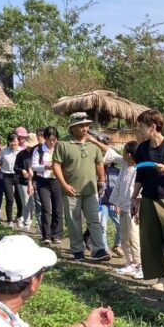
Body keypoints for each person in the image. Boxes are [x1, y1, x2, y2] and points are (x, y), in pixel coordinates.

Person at [52, 112, 110, 263]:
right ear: (72, 127)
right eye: (81, 125)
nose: (85, 128)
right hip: (71, 191)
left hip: (91, 190)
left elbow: (99, 163)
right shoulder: (63, 144)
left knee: (94, 220)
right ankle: (78, 251)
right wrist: (64, 185)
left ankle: (99, 250)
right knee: (74, 221)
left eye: (87, 125)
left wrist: (102, 179)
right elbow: (56, 166)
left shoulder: (93, 143)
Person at [131, 110, 164, 288]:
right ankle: (160, 278)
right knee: (151, 239)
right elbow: (140, 175)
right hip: (148, 198)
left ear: (152, 127)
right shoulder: (142, 148)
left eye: (141, 126)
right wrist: (134, 197)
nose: (139, 130)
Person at [111, 141, 143, 279]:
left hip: (133, 210)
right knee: (124, 237)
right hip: (123, 207)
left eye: (124, 151)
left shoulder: (138, 170)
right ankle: (130, 263)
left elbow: (140, 194)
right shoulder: (125, 164)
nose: (122, 153)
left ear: (129, 155)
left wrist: (138, 210)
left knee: (134, 237)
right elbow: (110, 152)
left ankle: (140, 265)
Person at [32, 127, 63, 244]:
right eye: (50, 139)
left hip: (57, 181)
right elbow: (34, 166)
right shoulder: (38, 150)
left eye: (54, 139)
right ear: (45, 138)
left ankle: (57, 234)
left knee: (58, 209)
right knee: (46, 208)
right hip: (43, 181)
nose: (52, 142)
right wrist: (45, 166)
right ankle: (46, 235)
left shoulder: (59, 149)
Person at [14, 128, 38, 232]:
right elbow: (15, 168)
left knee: (36, 203)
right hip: (23, 182)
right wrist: (22, 170)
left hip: (36, 181)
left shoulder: (37, 153)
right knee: (26, 202)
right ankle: (27, 223)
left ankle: (38, 223)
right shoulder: (21, 154)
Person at [0, 132, 24, 227]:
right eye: (11, 141)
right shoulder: (4, 151)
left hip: (18, 176)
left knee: (19, 198)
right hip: (7, 176)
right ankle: (9, 220)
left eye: (15, 141)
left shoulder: (22, 151)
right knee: (9, 199)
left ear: (18, 141)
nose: (13, 143)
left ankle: (19, 217)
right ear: (8, 142)